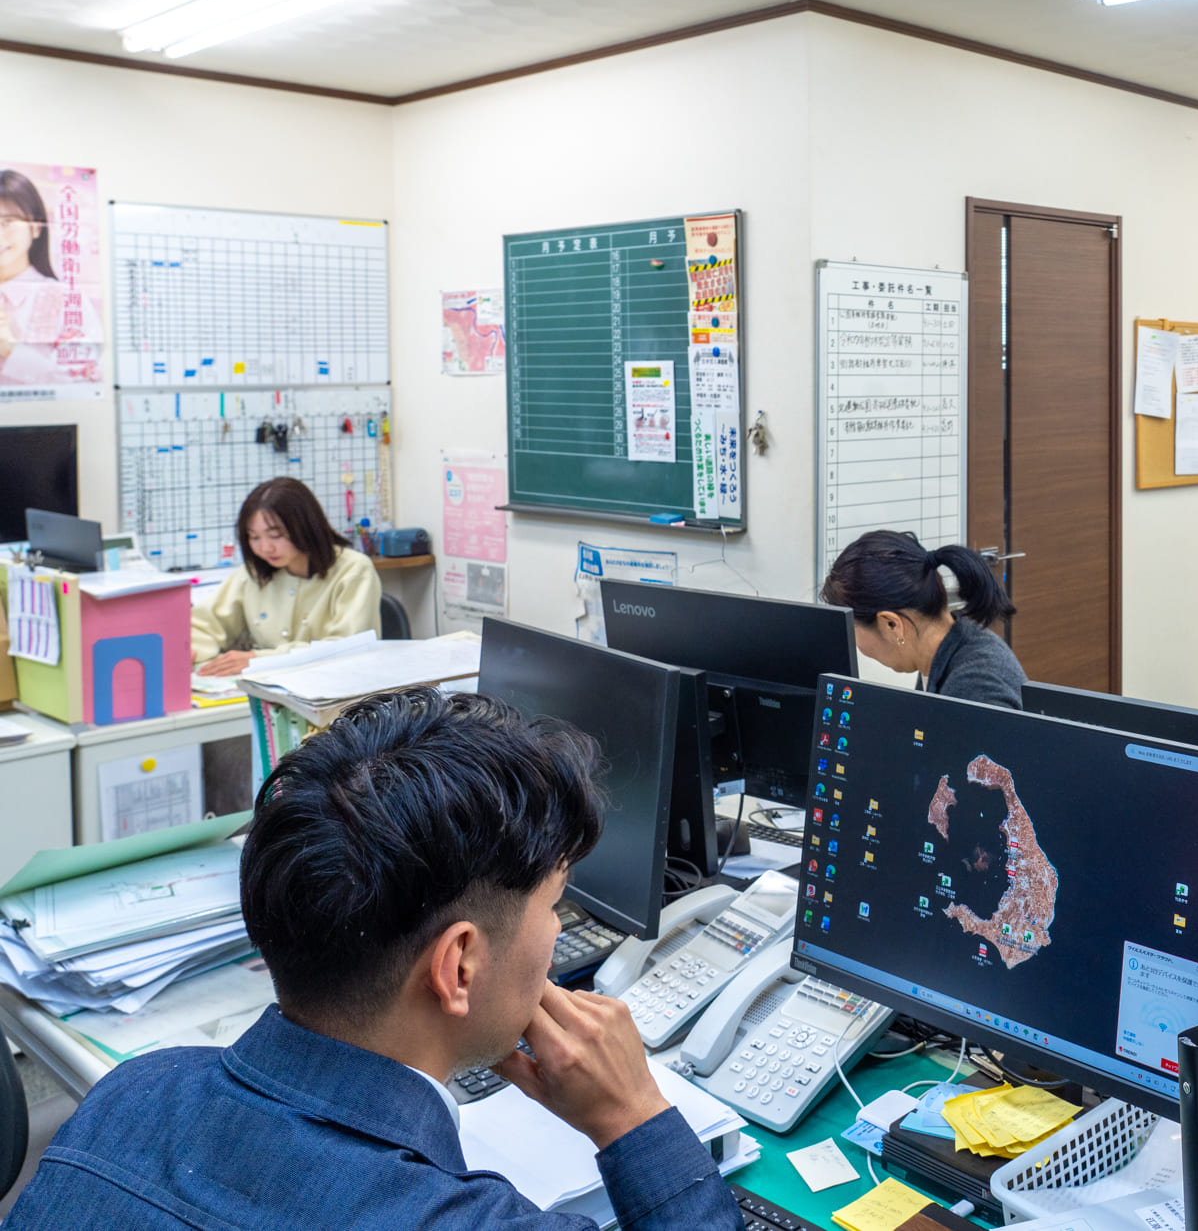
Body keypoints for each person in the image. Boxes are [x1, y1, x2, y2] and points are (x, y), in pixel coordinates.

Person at [2, 687, 743, 1231]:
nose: (555, 932)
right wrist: (632, 1115)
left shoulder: (127, 1098)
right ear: (458, 966)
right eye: (554, 905)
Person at [193, 477, 381, 676]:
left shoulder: (353, 570)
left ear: (305, 527)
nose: (265, 548)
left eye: (275, 536)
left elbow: (347, 648)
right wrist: (191, 650)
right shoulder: (255, 573)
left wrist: (260, 660)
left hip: (335, 689)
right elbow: (204, 624)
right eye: (254, 537)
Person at [821, 530, 1028, 708]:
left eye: (853, 630)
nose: (857, 646)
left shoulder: (974, 686)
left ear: (891, 624)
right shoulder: (943, 651)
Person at [0, 168, 102, 388]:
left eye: (7, 222)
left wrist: (11, 351)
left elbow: (85, 381)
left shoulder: (65, 300)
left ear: (36, 227)